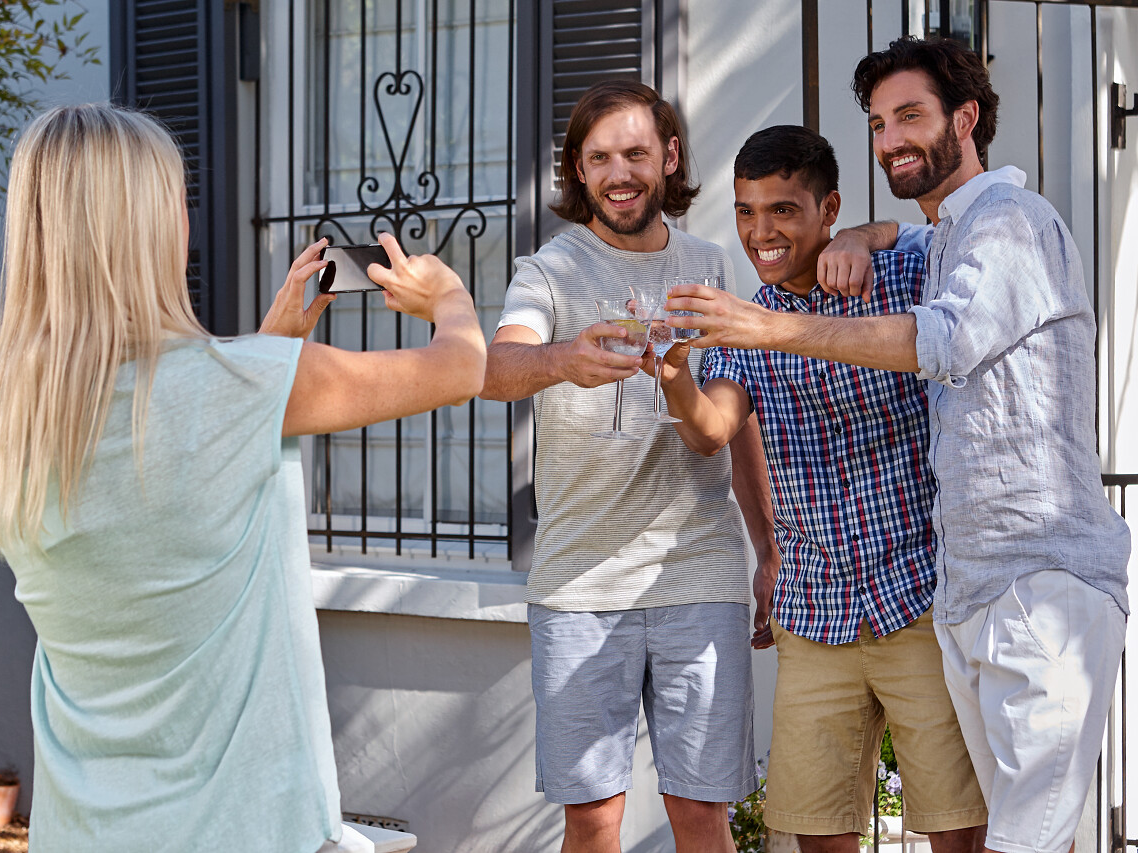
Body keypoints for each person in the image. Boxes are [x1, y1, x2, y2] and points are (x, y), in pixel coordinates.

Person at [0, 103, 486, 853]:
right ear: (151, 230)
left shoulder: (6, 409)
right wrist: (447, 296)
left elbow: (157, 455)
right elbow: (461, 366)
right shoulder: (244, 388)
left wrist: (266, 350)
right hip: (247, 828)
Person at [668, 38, 1130, 853]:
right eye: (879, 124)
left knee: (1009, 836)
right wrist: (671, 369)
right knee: (1004, 830)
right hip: (951, 596)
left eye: (908, 116)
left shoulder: (1004, 226)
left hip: (1013, 583)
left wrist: (783, 316)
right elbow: (713, 426)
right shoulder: (943, 238)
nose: (891, 139)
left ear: (967, 116)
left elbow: (944, 339)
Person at [655, 124, 986, 853]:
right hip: (814, 609)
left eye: (782, 209)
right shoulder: (742, 323)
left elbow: (942, 231)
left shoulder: (893, 275)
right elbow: (713, 429)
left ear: (827, 208)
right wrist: (674, 372)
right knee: (815, 833)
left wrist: (868, 236)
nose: (760, 231)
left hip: (919, 599)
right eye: (746, 211)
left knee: (957, 828)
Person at [479, 80, 775, 853]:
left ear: (668, 157)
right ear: (578, 170)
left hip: (699, 574)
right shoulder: (547, 270)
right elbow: (496, 369)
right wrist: (561, 359)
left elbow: (735, 423)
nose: (620, 173)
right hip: (580, 584)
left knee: (702, 813)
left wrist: (768, 550)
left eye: (637, 153)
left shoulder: (710, 266)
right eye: (601, 157)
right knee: (593, 818)